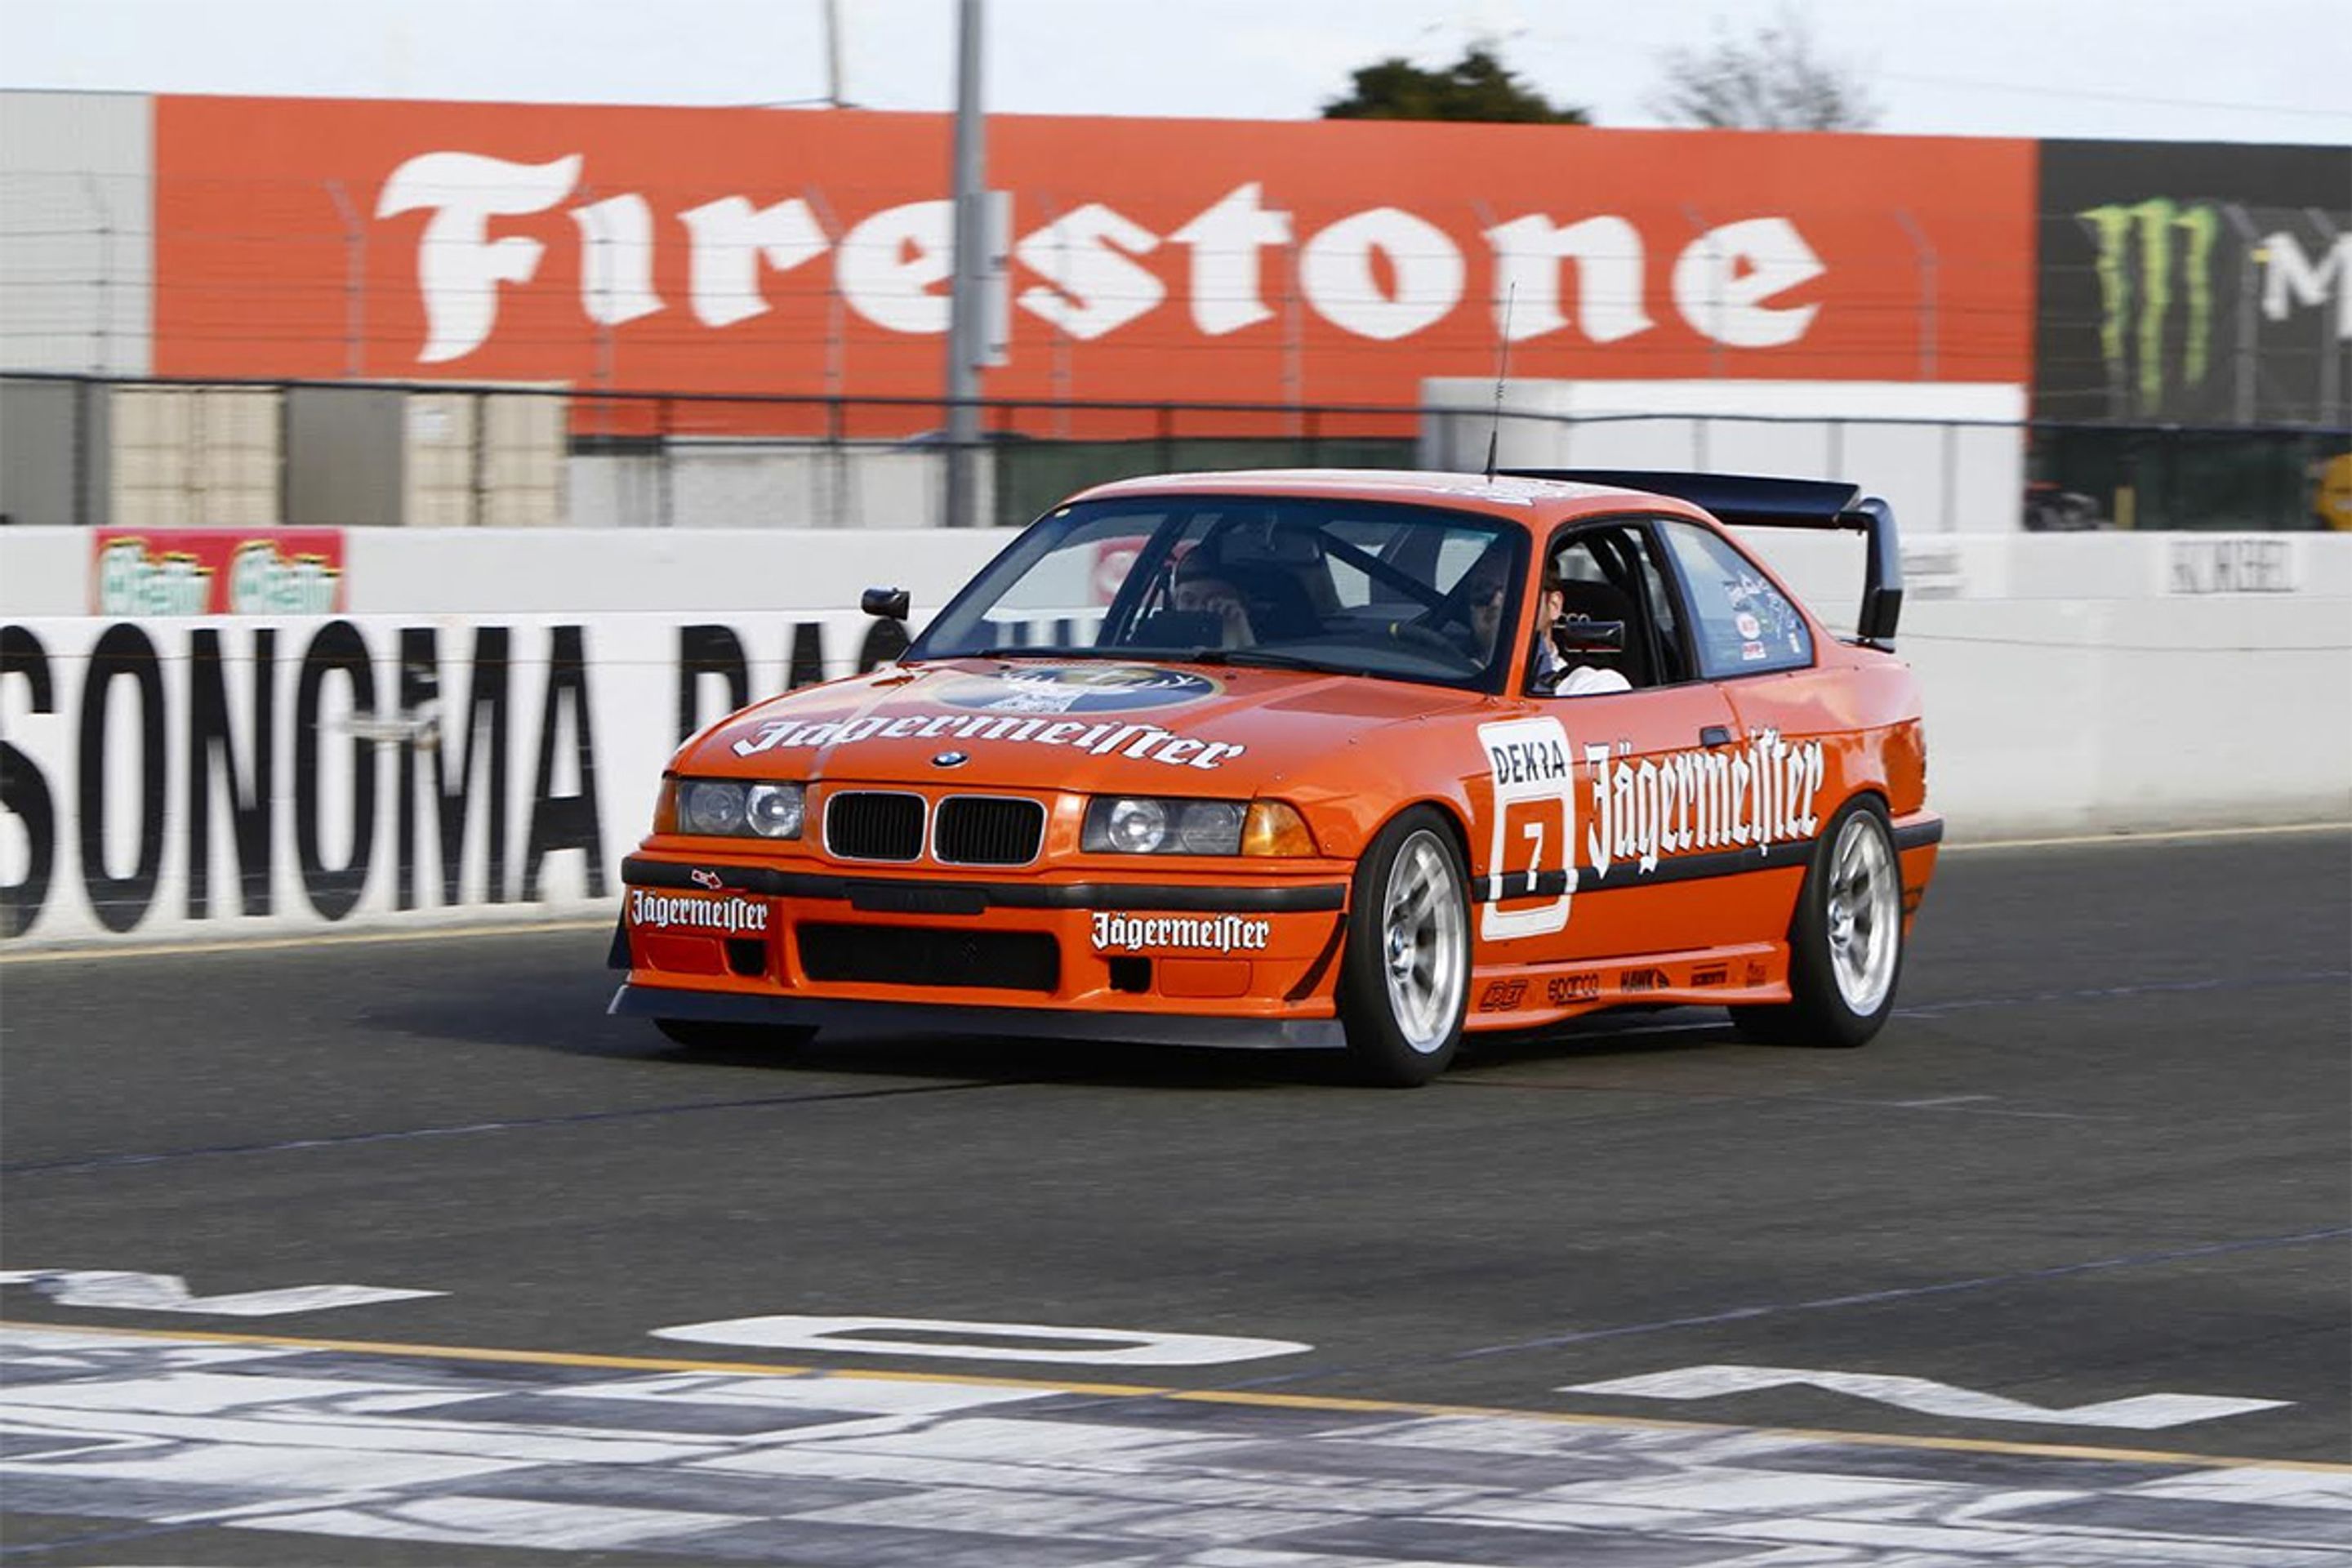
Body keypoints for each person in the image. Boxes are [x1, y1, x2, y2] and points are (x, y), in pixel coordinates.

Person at [1532, 567, 1634, 696]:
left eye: (1515, 593)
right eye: (1497, 588)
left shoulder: (1594, 687)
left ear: (1554, 605)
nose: (1498, 600)